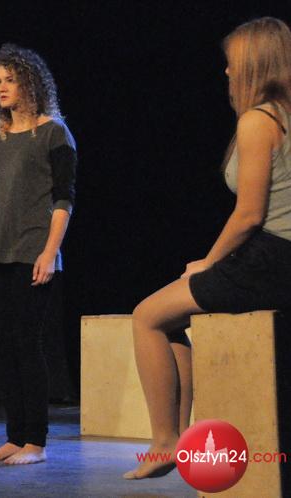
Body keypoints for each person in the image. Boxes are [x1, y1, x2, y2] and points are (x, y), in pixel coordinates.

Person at [124, 17, 291, 480]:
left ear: (255, 64)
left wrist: (209, 263)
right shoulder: (284, 114)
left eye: (232, 62)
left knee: (146, 315)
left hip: (271, 259)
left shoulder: (259, 120)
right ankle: (178, 438)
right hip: (278, 256)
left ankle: (164, 442)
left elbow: (249, 215)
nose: (227, 71)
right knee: (173, 317)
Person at [0, 43, 77, 465]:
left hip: (33, 252)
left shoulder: (53, 132)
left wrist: (50, 252)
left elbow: (64, 199)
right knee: (2, 347)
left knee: (27, 345)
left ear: (30, 84)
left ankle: (36, 441)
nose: (1, 87)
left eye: (10, 80)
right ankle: (15, 436)